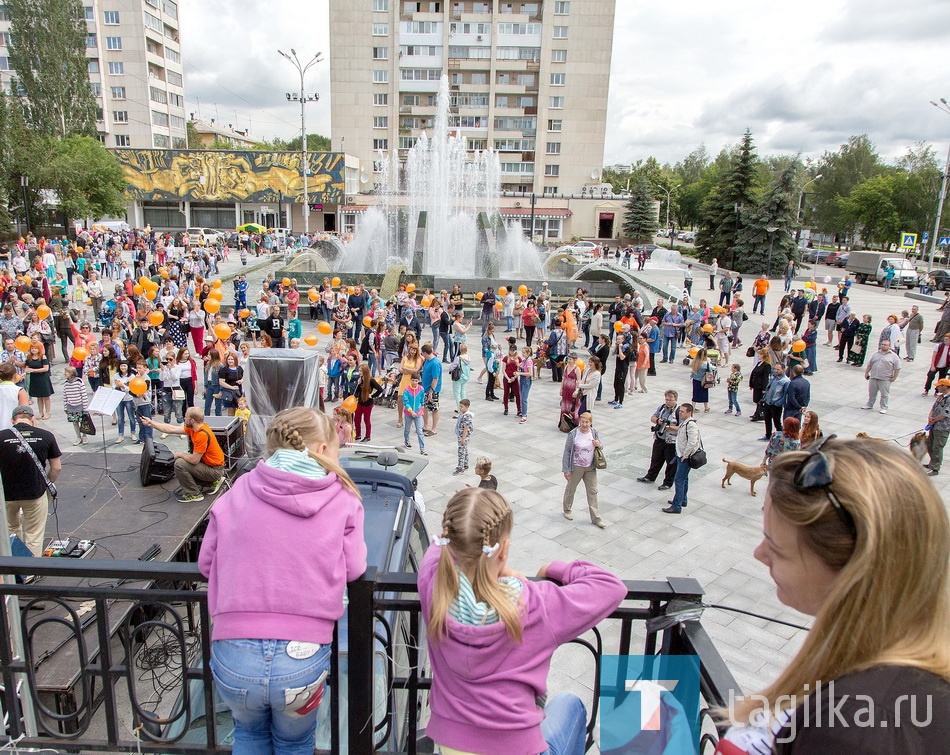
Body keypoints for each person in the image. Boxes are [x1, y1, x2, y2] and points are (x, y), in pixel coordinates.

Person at [720, 437, 950, 753]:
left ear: (852, 569)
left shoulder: (851, 729)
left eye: (776, 548)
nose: (760, 554)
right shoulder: (901, 681)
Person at [198, 407, 367, 755]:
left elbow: (205, 564)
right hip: (302, 658)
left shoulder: (240, 488)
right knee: (296, 743)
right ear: (321, 450)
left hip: (233, 652)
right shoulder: (343, 497)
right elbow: (356, 569)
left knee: (248, 736)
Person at [419, 487, 625, 755]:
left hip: (451, 742)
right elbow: (611, 586)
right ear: (504, 550)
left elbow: (438, 545)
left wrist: (474, 543)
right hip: (518, 748)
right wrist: (552, 569)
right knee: (570, 704)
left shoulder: (434, 586)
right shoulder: (536, 603)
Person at [0, 405, 61, 556]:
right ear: (33, 420)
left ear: (13, 420)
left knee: (11, 531)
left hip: (7, 494)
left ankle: (14, 567)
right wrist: (47, 483)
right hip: (35, 492)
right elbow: (56, 468)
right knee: (34, 534)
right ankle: (30, 572)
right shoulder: (46, 436)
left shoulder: (1, 437)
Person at [141, 407, 225, 502]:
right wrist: (151, 423)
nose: (184, 419)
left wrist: (180, 454)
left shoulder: (201, 434)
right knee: (184, 468)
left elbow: (194, 460)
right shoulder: (195, 428)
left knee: (180, 464)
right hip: (211, 467)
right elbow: (171, 429)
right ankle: (212, 482)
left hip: (214, 470)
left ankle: (193, 494)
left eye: (186, 417)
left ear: (192, 420)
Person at [561, 411, 606, 528]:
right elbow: (567, 452)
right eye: (582, 422)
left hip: (590, 467)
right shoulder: (573, 434)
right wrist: (566, 469)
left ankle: (596, 518)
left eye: (587, 422)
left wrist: (599, 444)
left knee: (593, 492)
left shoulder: (594, 432)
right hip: (576, 467)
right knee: (571, 489)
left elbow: (600, 446)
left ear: (591, 423)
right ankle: (567, 509)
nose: (584, 424)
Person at [637, 390, 680, 491]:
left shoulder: (678, 411)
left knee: (671, 464)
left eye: (670, 400)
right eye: (666, 399)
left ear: (676, 400)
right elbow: (652, 417)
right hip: (659, 438)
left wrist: (669, 427)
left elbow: (682, 427)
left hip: (671, 442)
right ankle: (650, 476)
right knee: (655, 459)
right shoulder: (662, 408)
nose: (668, 402)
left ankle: (667, 483)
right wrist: (658, 421)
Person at [663, 403, 701, 514]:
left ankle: (676, 506)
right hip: (681, 456)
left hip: (685, 458)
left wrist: (685, 455)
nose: (680, 413)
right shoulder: (684, 423)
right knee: (684, 479)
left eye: (682, 411)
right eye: (680, 411)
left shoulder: (691, 425)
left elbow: (692, 442)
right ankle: (682, 500)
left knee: (679, 480)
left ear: (689, 412)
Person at [862, 339, 900, 414]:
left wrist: (894, 377)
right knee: (872, 392)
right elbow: (870, 364)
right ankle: (869, 404)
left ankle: (884, 407)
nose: (883, 346)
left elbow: (897, 368)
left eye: (885, 345)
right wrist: (866, 373)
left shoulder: (894, 356)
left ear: (889, 346)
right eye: (882, 344)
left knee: (884, 394)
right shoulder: (876, 354)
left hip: (885, 379)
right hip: (874, 377)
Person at [24, 343, 53, 420]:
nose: (34, 350)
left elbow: (46, 368)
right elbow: (26, 368)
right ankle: (41, 412)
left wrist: (33, 370)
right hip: (34, 378)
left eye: (35, 348)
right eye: (32, 348)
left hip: (43, 378)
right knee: (39, 397)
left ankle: (48, 412)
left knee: (46, 396)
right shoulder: (29, 357)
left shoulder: (42, 357)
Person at [402, 373, 426, 455]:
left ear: (419, 381)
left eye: (416, 381)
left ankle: (422, 448)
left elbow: (422, 400)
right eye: (413, 380)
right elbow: (406, 402)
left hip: (418, 413)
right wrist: (411, 411)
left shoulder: (421, 389)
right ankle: (407, 441)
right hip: (408, 413)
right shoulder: (407, 390)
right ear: (410, 380)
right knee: (407, 429)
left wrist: (422, 410)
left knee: (419, 431)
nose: (415, 382)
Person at [452, 398, 473, 476]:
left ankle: (460, 468)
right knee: (465, 449)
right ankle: (465, 464)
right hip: (460, 435)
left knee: (461, 451)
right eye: (460, 406)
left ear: (467, 407)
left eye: (462, 407)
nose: (460, 408)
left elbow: (466, 428)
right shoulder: (462, 414)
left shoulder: (467, 416)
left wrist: (463, 438)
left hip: (463, 436)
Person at [500, 343, 521, 417]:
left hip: (514, 378)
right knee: (506, 393)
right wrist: (508, 378)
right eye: (510, 350)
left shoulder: (518, 358)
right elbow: (503, 369)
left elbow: (519, 369)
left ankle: (519, 409)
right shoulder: (506, 358)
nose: (511, 352)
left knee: (517, 394)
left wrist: (514, 377)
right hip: (507, 378)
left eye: (513, 350)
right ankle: (506, 408)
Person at [689, 347, 713, 413]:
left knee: (695, 394)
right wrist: (709, 362)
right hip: (703, 381)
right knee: (705, 394)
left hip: (695, 380)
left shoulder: (695, 361)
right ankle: (706, 408)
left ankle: (693, 407)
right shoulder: (705, 364)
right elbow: (712, 369)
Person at [516, 346, 534, 424]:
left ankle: (524, 415)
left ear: (528, 353)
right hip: (522, 379)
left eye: (524, 352)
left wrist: (520, 373)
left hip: (526, 380)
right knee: (521, 396)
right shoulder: (524, 360)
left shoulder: (528, 361)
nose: (522, 354)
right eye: (522, 352)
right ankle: (522, 412)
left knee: (524, 398)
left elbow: (530, 373)